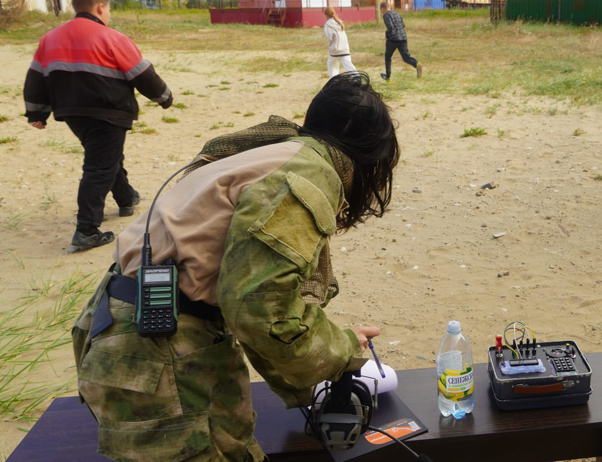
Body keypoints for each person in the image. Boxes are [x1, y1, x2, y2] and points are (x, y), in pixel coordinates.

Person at [70, 73, 398, 461]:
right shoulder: (309, 171)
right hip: (162, 352)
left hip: (126, 329)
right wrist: (341, 349)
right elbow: (263, 311)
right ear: (367, 156)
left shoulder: (263, 154)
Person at [23, 0, 173, 251]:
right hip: (109, 110)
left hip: (71, 113)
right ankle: (86, 230)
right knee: (99, 167)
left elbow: (35, 78)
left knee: (105, 156)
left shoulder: (50, 38)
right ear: (100, 7)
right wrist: (164, 97)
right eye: (109, 8)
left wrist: (36, 112)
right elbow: (142, 74)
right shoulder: (112, 38)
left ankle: (126, 199)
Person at [380, 1, 423, 82]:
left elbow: (390, 27)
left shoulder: (386, 15)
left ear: (383, 8)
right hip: (403, 38)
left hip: (393, 40)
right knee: (406, 57)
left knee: (388, 57)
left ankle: (388, 77)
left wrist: (387, 35)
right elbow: (403, 25)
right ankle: (416, 64)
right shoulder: (397, 14)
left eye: (381, 10)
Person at [323, 7, 357, 78]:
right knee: (348, 65)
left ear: (326, 15)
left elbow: (329, 37)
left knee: (332, 65)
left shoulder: (328, 24)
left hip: (335, 50)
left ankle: (333, 81)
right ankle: (356, 78)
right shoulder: (339, 22)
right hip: (345, 49)